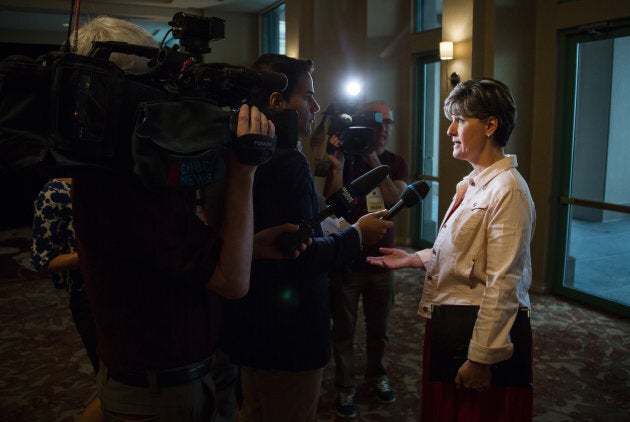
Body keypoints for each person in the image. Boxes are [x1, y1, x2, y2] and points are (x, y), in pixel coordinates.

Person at [70, 17, 304, 421]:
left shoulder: (124, 169)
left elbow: (178, 259)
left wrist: (253, 247)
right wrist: (244, 170)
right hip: (157, 395)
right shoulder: (121, 183)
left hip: (173, 379)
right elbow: (231, 283)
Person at [219, 54, 394, 422]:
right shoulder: (289, 160)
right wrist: (357, 234)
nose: (316, 106)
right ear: (277, 102)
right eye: (308, 96)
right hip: (291, 333)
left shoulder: (233, 152)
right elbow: (302, 255)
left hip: (248, 323)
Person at [367, 78, 536, 421]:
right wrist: (416, 258)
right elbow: (467, 252)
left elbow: (503, 283)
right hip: (452, 322)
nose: (449, 130)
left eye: (460, 120)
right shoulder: (474, 182)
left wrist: (481, 359)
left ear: (490, 125)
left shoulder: (508, 191)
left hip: (476, 332)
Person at [323, 100, 408, 417]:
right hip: (347, 260)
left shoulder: (395, 163)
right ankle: (344, 388)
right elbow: (332, 206)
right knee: (343, 330)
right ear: (362, 125)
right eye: (377, 122)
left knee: (379, 329)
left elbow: (395, 201)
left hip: (383, 260)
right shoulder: (347, 160)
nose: (383, 128)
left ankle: (378, 376)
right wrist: (336, 164)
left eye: (388, 123)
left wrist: (372, 159)